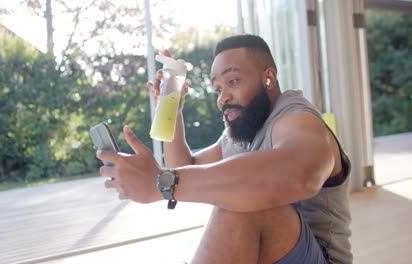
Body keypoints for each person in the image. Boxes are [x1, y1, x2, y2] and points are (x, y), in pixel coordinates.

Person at [97, 34, 352, 264]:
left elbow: (299, 176)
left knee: (246, 203)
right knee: (239, 194)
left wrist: (160, 183)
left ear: (268, 78)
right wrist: (173, 113)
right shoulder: (243, 131)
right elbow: (186, 169)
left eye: (233, 81)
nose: (223, 98)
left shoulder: (297, 119)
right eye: (218, 89)